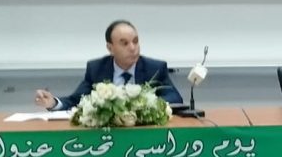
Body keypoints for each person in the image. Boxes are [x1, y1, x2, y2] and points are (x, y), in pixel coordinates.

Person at [35, 19, 183, 110]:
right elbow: (76, 101)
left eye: (135, 41)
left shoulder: (154, 68)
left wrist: (144, 104)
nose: (133, 48)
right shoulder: (97, 69)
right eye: (124, 43)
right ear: (110, 48)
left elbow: (175, 97)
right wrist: (53, 103)